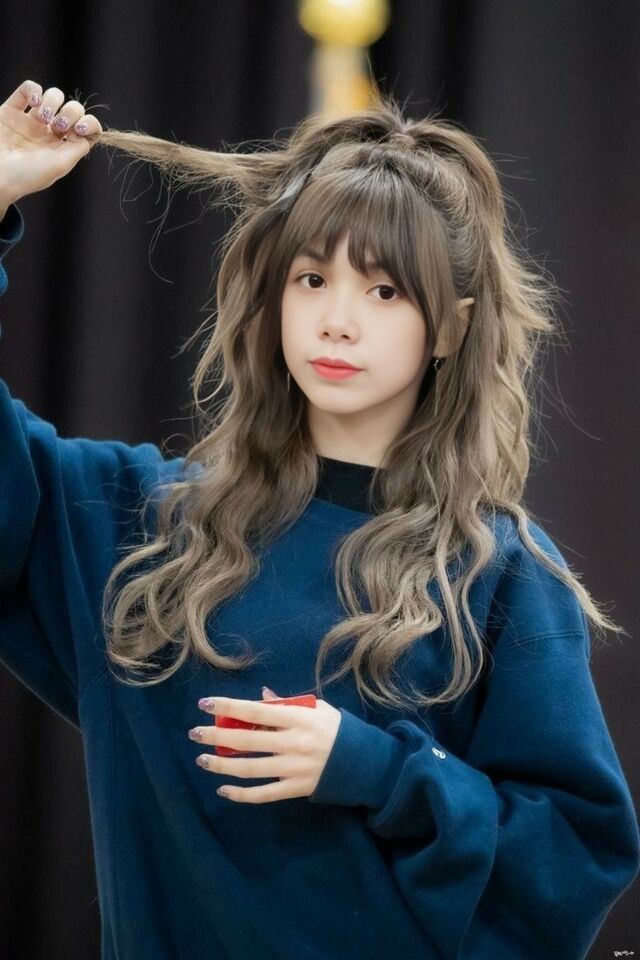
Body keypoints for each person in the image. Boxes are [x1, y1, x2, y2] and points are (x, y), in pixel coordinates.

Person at [0, 78, 638, 960]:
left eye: (385, 292)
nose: (337, 321)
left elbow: (574, 855)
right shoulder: (137, 525)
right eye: (311, 278)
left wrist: (377, 770)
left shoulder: (497, 572)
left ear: (451, 329)